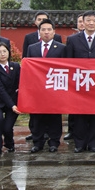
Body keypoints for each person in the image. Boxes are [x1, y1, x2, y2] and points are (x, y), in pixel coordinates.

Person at [65, 11, 95, 153]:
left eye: (94, 20)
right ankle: (80, 143)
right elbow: (68, 62)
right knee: (79, 115)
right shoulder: (73, 40)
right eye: (88, 20)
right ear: (82, 22)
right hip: (79, 83)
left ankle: (94, 144)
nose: (91, 23)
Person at [22, 11, 63, 142]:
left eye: (49, 30)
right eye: (43, 30)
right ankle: (37, 142)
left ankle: (54, 141)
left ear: (54, 32)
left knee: (54, 115)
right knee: (37, 115)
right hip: (37, 87)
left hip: (54, 86)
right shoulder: (32, 48)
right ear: (39, 32)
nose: (46, 32)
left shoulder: (61, 48)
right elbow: (27, 66)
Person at [0, 43, 21, 156]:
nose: (2, 54)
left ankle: (9, 144)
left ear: (9, 53)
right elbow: (0, 90)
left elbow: (22, 82)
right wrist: (12, 105)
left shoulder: (16, 66)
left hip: (14, 101)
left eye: (4, 51)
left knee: (7, 128)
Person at [64, 13, 85, 141]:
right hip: (76, 77)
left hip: (92, 78)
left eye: (83, 21)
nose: (82, 24)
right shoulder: (72, 39)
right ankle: (72, 130)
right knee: (74, 106)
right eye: (80, 22)